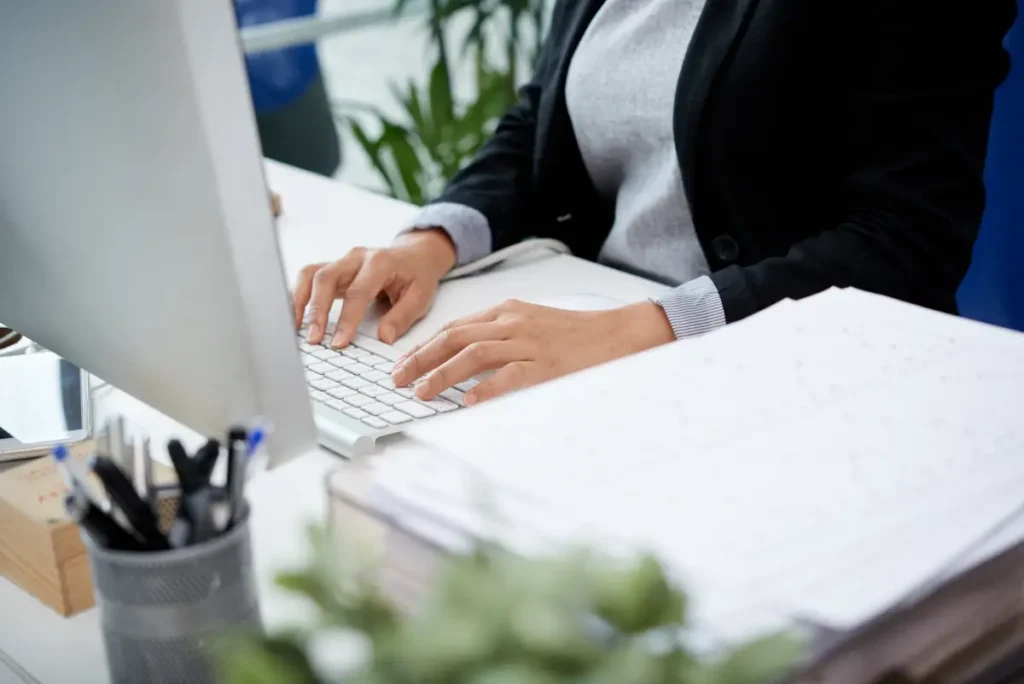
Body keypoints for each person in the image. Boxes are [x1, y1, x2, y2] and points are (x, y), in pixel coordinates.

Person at [293, 1, 1017, 407]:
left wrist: (650, 326)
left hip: (796, 379)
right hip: (600, 333)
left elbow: (907, 240)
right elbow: (541, 121)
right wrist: (430, 243)